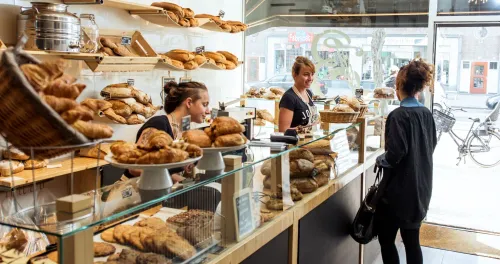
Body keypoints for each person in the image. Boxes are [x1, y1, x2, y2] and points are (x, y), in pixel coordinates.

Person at [375, 60, 437, 264]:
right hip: (420, 189)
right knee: (412, 242)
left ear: (398, 86)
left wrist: (380, 159)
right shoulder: (426, 114)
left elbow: (394, 155)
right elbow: (431, 146)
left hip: (397, 194)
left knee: (386, 239)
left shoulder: (398, 116)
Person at [124, 81, 210, 181]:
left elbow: (165, 169)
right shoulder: (159, 124)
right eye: (204, 104)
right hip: (131, 191)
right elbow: (134, 168)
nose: (208, 111)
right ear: (189, 103)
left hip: (158, 188)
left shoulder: (184, 128)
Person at [278, 56, 319, 132]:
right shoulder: (289, 98)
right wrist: (304, 129)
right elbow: (283, 131)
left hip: (308, 141)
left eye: (312, 74)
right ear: (295, 75)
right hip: (296, 143)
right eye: (306, 74)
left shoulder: (309, 93)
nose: (310, 78)